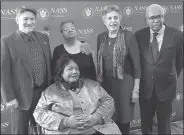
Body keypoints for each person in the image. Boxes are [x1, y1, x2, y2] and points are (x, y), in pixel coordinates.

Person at [33, 55, 121, 134]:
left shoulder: (92, 85)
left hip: (95, 129)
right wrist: (65, 122)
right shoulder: (50, 92)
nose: (75, 71)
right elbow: (38, 112)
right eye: (70, 69)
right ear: (61, 73)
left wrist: (96, 118)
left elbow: (108, 100)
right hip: (66, 131)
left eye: (77, 68)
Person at [1, 6, 52, 134]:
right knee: (20, 131)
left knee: (44, 130)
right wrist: (9, 98)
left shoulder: (43, 38)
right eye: (25, 19)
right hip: (20, 98)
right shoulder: (7, 41)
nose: (29, 22)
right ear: (17, 20)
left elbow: (49, 64)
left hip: (44, 95)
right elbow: (3, 72)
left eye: (32, 19)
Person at [135, 4, 183, 135]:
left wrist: (168, 76)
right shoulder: (139, 36)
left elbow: (180, 62)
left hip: (166, 88)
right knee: (146, 124)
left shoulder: (177, 35)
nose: (156, 20)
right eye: (152, 17)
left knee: (165, 125)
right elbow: (136, 62)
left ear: (163, 17)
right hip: (146, 89)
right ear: (147, 19)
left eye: (159, 16)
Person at [97, 5, 141, 134]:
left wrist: (135, 90)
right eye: (109, 18)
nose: (113, 21)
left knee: (123, 119)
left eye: (116, 17)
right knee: (109, 118)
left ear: (120, 19)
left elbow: (137, 65)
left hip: (125, 86)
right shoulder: (100, 37)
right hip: (106, 86)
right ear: (104, 21)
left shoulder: (129, 36)